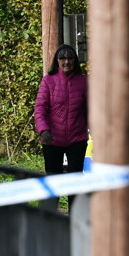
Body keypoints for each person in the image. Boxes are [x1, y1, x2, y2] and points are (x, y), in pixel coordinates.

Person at [34, 43, 89, 204]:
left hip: (77, 139)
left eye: (70, 58)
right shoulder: (48, 81)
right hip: (52, 140)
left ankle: (74, 222)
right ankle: (50, 221)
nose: (66, 61)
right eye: (62, 58)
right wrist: (43, 129)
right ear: (57, 61)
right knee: (54, 183)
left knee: (75, 183)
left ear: (75, 61)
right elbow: (40, 108)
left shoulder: (84, 82)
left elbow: (92, 108)